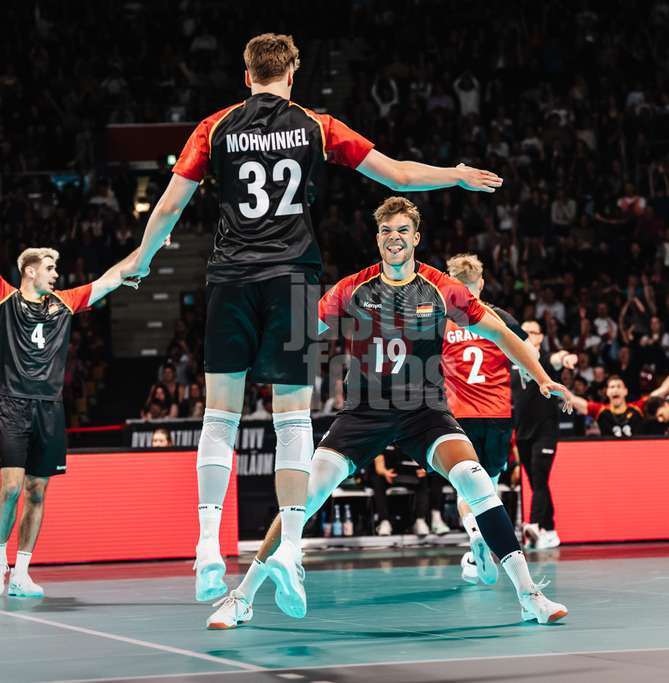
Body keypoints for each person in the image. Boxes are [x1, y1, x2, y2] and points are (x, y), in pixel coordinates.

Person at [126, 33, 503, 603]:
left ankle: (207, 548)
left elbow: (172, 206)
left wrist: (142, 260)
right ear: (292, 74)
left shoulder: (214, 126)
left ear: (246, 74)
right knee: (291, 421)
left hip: (230, 275)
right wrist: (454, 173)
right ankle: (291, 552)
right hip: (295, 280)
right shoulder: (317, 125)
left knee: (221, 415)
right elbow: (398, 175)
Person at [207, 197, 572, 629]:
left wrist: (543, 376)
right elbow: (300, 332)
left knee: (474, 478)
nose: (394, 238)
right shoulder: (352, 288)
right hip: (363, 412)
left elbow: (501, 331)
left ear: (416, 238)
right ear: (377, 238)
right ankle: (242, 597)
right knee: (305, 495)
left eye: (402, 231)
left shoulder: (441, 288)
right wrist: (247, 343)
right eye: (386, 231)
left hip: (424, 411)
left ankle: (529, 595)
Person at [0, 165, 138, 598]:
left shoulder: (65, 303)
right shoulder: (6, 298)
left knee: (38, 490)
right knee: (10, 486)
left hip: (49, 404)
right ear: (29, 271)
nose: (55, 273)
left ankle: (22, 570)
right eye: (49, 267)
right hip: (12, 400)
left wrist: (149, 247)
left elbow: (111, 278)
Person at [440, 253, 530, 581]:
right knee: (488, 489)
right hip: (497, 415)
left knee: (467, 490)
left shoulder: (442, 319)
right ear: (480, 283)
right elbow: (528, 355)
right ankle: (475, 549)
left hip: (459, 416)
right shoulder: (498, 317)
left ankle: (474, 535)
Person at [510, 319, 568, 552]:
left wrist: (566, 358)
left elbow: (558, 359)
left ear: (541, 337)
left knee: (540, 477)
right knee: (536, 482)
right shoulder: (513, 360)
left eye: (531, 333)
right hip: (522, 432)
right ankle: (551, 529)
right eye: (522, 333)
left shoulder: (544, 359)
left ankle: (534, 525)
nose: (526, 336)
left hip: (545, 431)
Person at [566, 349, 669, 438]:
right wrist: (549, 383)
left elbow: (664, 390)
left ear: (625, 391)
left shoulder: (637, 407)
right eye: (612, 387)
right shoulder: (600, 411)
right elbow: (573, 400)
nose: (615, 390)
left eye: (618, 387)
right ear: (607, 392)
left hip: (635, 454)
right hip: (609, 457)